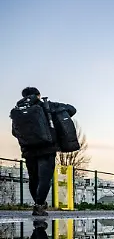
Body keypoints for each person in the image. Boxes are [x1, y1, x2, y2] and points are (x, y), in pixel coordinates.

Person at [10, 87, 76, 216]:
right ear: (38, 95)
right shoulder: (47, 105)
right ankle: (39, 205)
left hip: (28, 150)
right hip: (47, 148)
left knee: (33, 179)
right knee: (44, 179)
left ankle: (38, 204)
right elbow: (72, 109)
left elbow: (14, 132)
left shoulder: (17, 111)